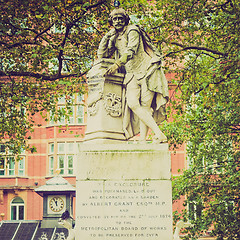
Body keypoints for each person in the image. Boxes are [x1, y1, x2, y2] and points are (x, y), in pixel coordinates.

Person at [97, 8, 169, 143]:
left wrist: (116, 65)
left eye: (120, 18)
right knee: (132, 103)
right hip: (131, 75)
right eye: (115, 19)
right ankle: (159, 133)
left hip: (147, 71)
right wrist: (107, 36)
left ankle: (143, 140)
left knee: (145, 107)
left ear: (125, 20)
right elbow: (102, 55)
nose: (118, 21)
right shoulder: (114, 37)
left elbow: (131, 50)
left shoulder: (132, 30)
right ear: (111, 22)